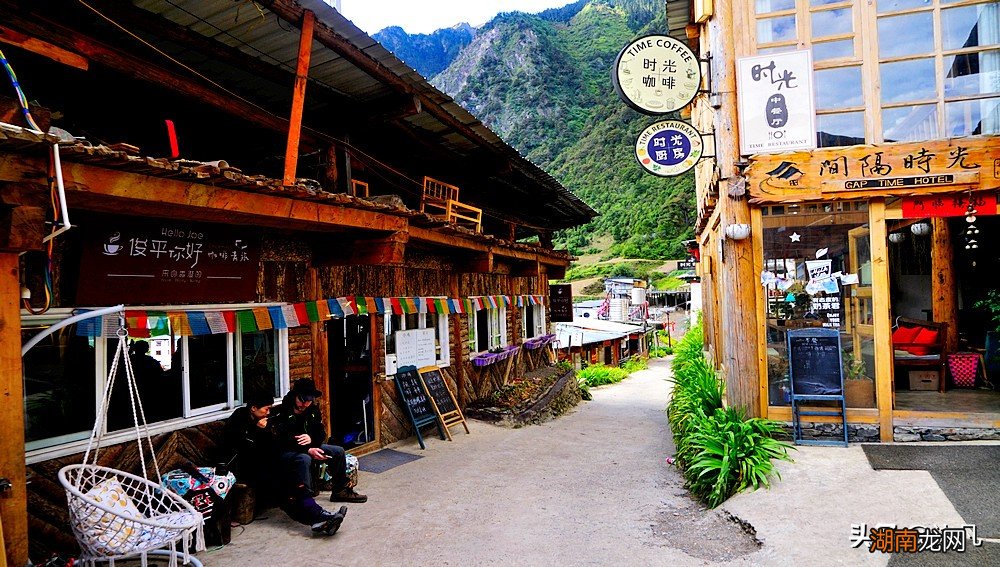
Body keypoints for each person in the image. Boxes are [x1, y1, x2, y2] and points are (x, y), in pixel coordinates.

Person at [222, 389, 347, 535]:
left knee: (295, 484)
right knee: (286, 490)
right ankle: (318, 518)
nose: (268, 412)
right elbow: (245, 448)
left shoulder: (261, 420)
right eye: (266, 409)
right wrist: (258, 430)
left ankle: (319, 518)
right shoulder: (239, 419)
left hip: (265, 462)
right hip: (244, 468)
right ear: (254, 408)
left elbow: (272, 444)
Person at [270, 378, 368, 505]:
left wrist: (312, 439)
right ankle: (305, 500)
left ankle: (340, 490)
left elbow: (320, 432)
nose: (304, 405)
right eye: (302, 401)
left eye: (308, 401)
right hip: (288, 450)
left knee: (338, 451)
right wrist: (308, 450)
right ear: (295, 396)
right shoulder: (282, 412)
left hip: (310, 446)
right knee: (305, 459)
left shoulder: (312, 410)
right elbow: (281, 439)